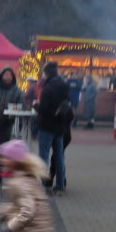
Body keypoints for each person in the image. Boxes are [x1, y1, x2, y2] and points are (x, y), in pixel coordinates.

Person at [36, 62, 71, 194]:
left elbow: (43, 109)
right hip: (60, 126)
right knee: (59, 156)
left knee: (43, 156)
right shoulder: (64, 85)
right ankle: (60, 185)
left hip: (46, 126)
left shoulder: (47, 88)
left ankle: (43, 185)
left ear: (46, 73)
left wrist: (36, 106)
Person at [0, 67, 23, 143]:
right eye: (6, 75)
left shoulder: (17, 91)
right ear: (1, 75)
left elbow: (22, 105)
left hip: (7, 122)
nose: (8, 77)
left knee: (4, 145)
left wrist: (11, 108)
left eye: (10, 75)